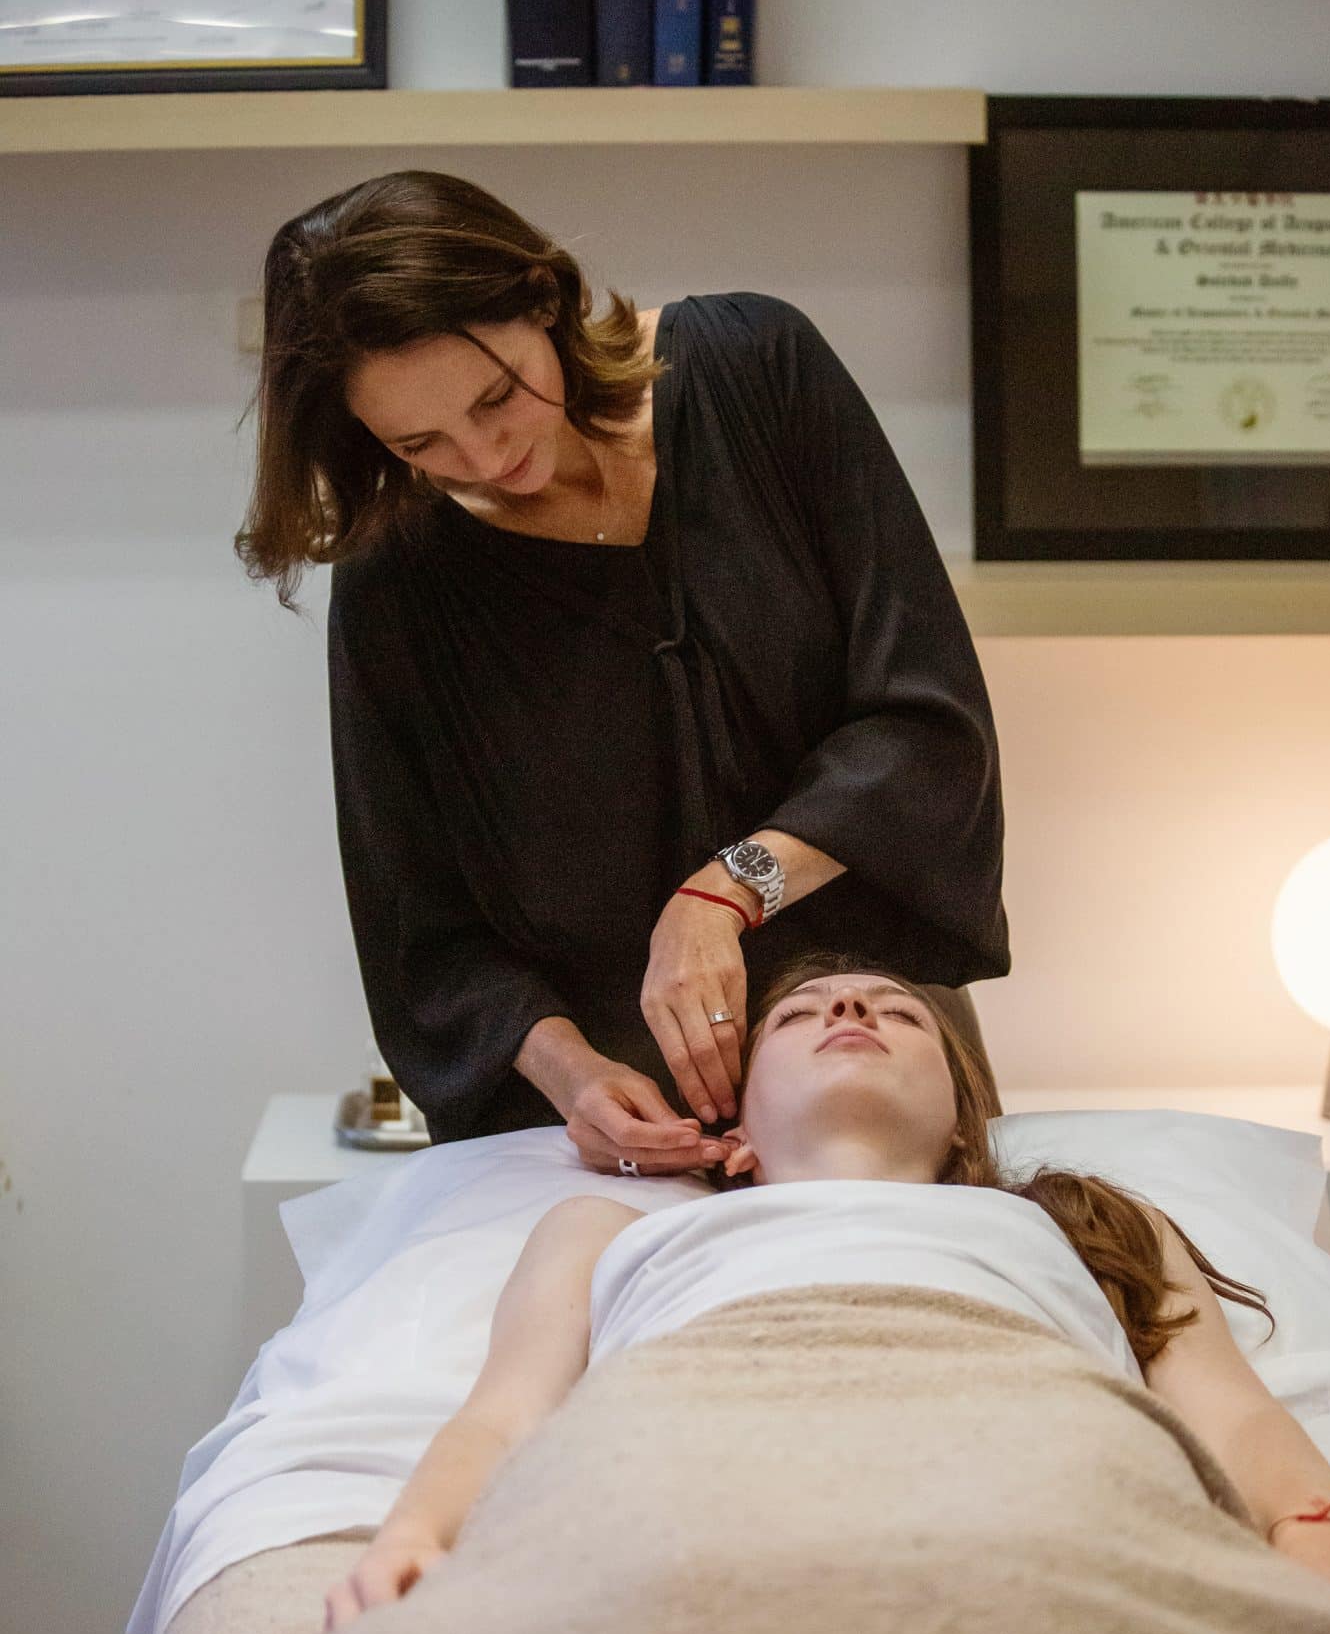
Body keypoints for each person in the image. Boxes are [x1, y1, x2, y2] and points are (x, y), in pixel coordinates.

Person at [234, 170, 1010, 1175]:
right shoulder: (398, 576)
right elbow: (421, 933)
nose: (483, 454)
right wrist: (570, 1077)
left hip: (856, 1062)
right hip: (607, 1123)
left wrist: (727, 890)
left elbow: (924, 726)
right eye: (418, 442)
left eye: (496, 394)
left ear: (544, 302)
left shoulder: (756, 371)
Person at [323, 954, 1330, 1634]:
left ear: (966, 1122)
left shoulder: (1080, 1220)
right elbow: (503, 1416)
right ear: (734, 1130)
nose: (852, 1006)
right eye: (801, 1016)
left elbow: (1232, 1410)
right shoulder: (618, 1229)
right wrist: (415, 1537)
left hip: (1039, 1472)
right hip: (685, 1475)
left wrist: (1321, 1533)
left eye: (900, 1012)